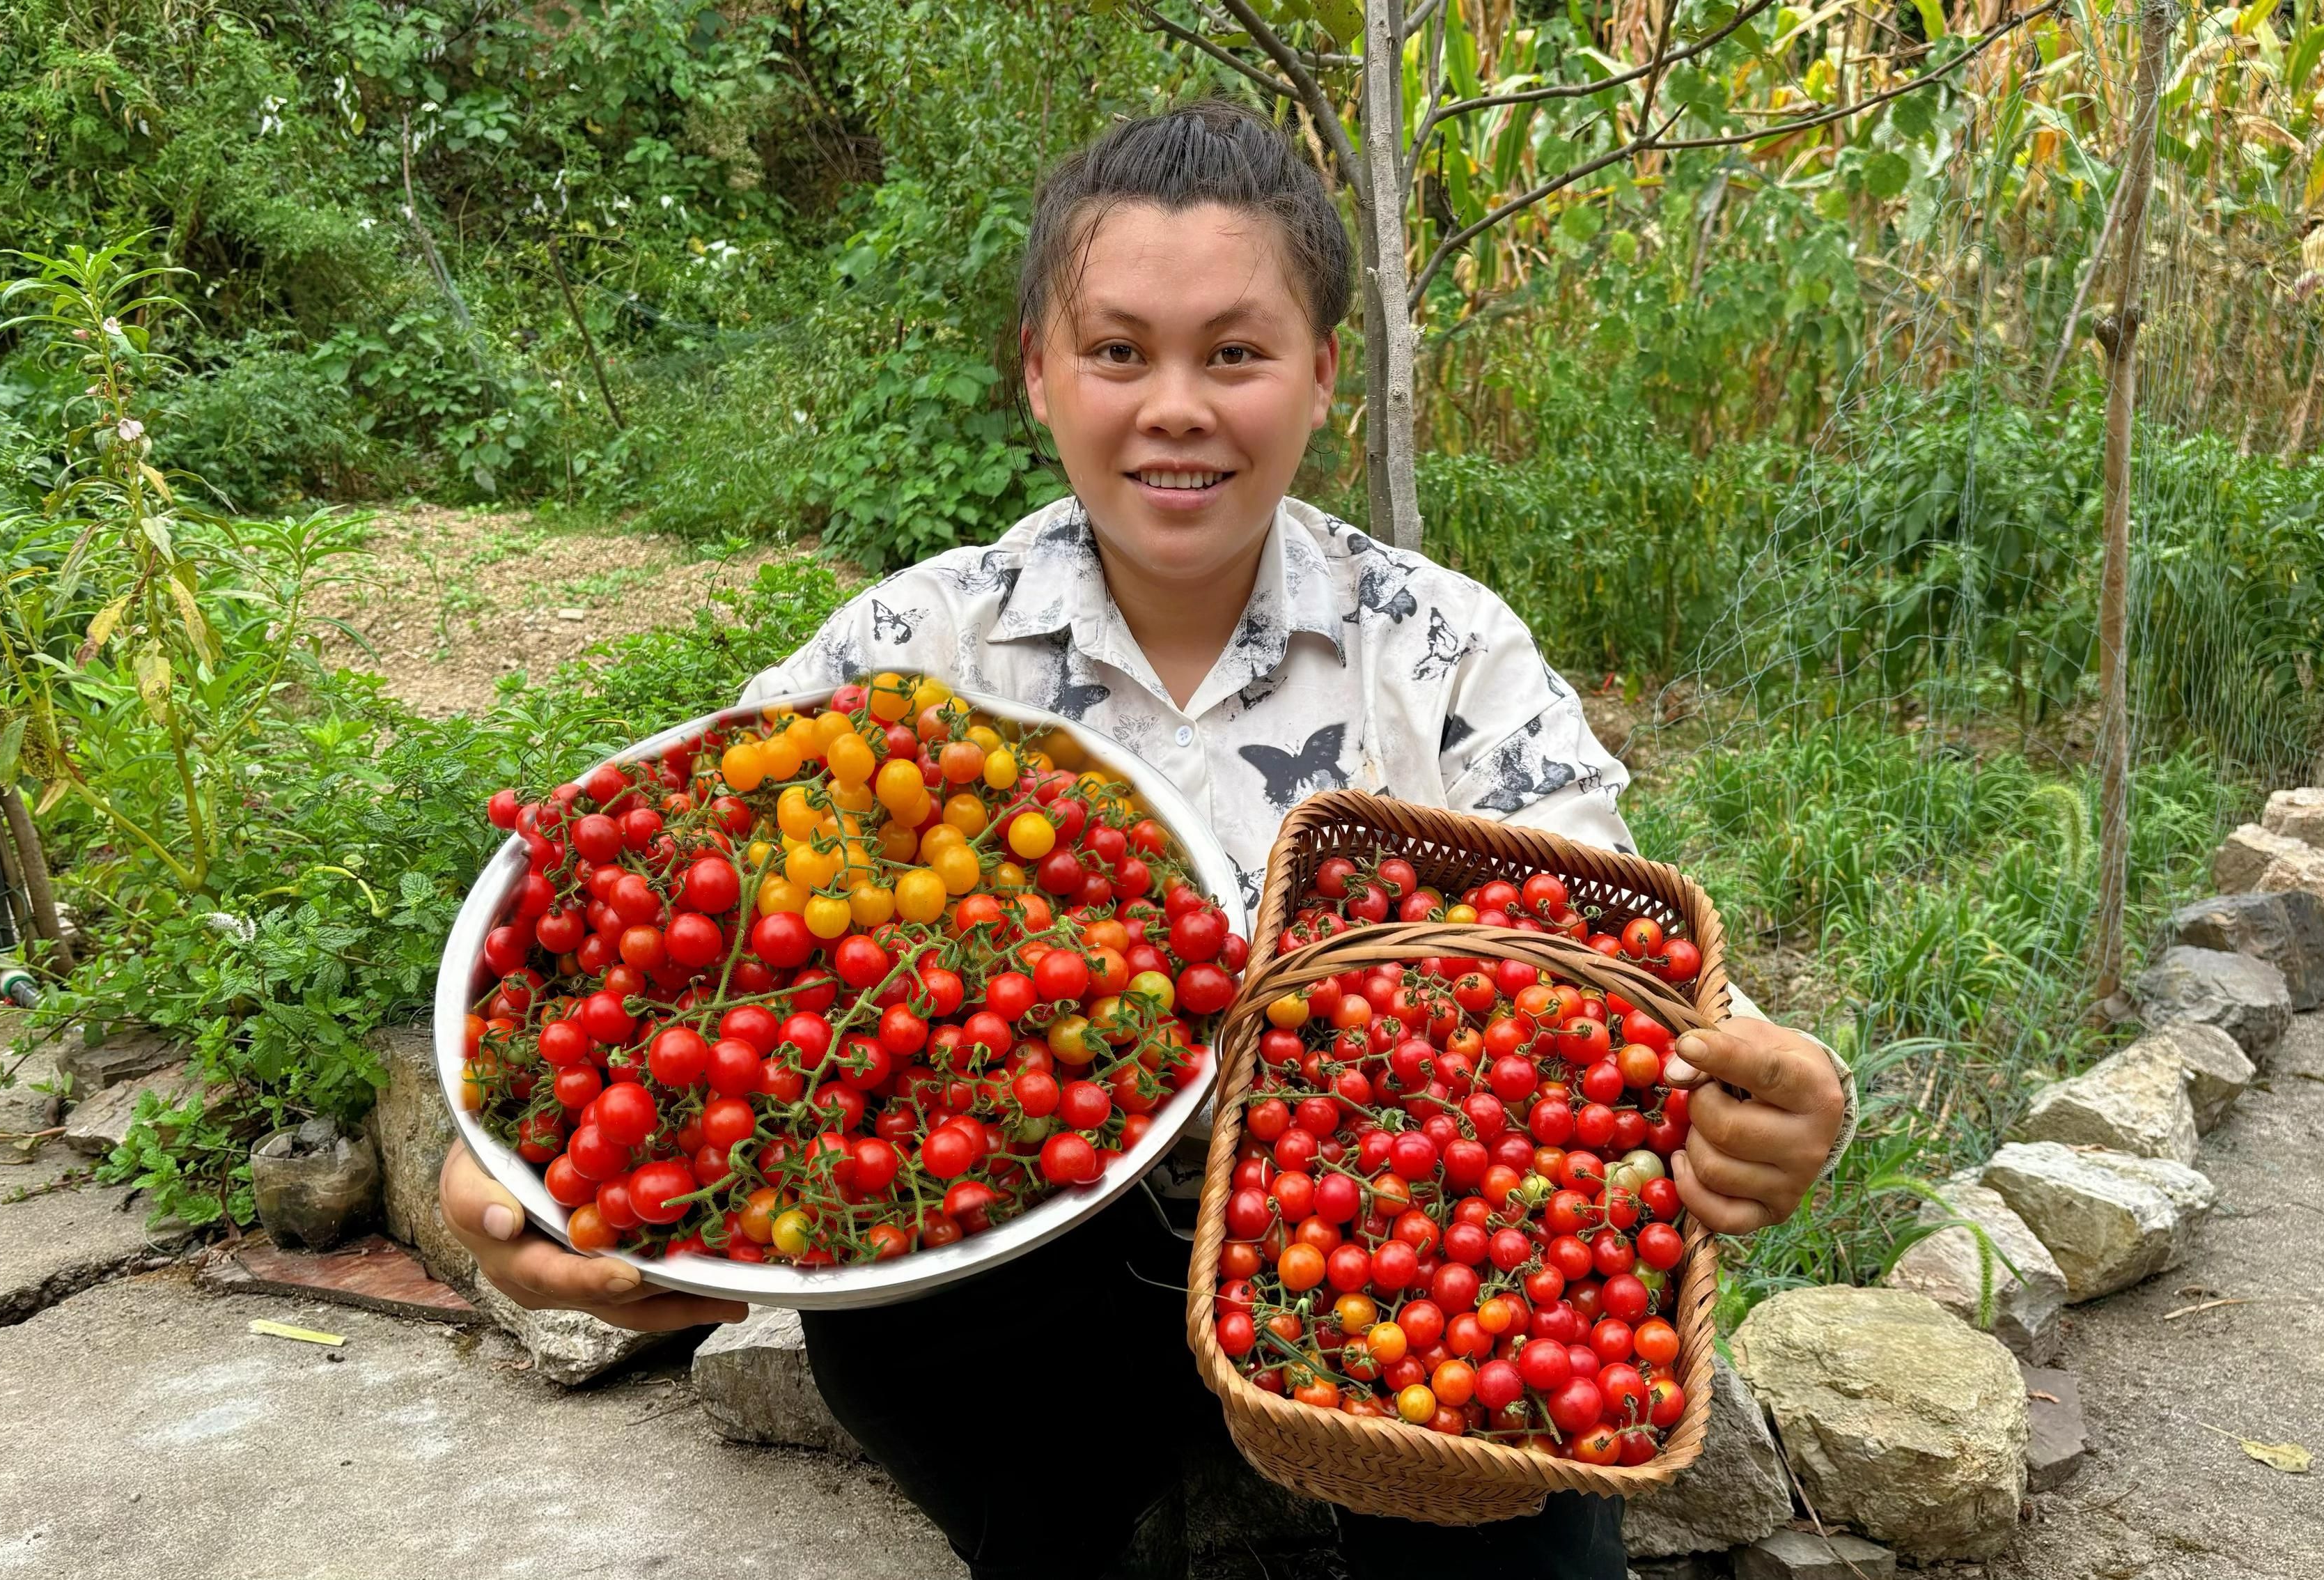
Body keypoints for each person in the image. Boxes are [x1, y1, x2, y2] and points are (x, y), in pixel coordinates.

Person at [439, 100, 1850, 1579]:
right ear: (1041, 377)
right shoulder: (915, 650)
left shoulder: (1437, 653)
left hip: (1401, 1243)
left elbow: (1608, 938)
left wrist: (1766, 1086)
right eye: (1118, 352)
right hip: (1022, 1282)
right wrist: (510, 1176)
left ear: (1321, 379)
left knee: (1523, 1552)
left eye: (1234, 354)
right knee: (981, 1445)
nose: (1175, 404)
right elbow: (666, 890)